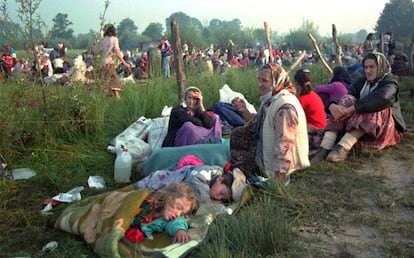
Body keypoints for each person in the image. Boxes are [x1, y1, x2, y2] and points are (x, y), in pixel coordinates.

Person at [311, 52, 406, 164]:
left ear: (380, 66)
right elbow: (347, 95)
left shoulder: (390, 82)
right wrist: (332, 105)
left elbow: (382, 98)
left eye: (372, 67)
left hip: (385, 129)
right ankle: (326, 146)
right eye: (366, 67)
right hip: (363, 127)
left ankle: (343, 147)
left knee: (373, 105)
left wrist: (353, 108)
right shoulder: (362, 81)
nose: (368, 70)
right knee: (347, 100)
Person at [230, 63, 310, 182]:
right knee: (237, 134)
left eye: (264, 81)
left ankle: (268, 171)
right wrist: (243, 110)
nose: (259, 84)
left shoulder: (285, 107)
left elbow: (284, 144)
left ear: (276, 82)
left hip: (286, 165)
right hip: (270, 151)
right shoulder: (271, 100)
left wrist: (279, 179)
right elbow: (256, 124)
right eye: (259, 80)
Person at [124, 183, 199, 244]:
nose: (178, 214)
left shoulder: (165, 220)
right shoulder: (148, 201)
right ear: (169, 196)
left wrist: (180, 231)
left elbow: (178, 222)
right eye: (179, 207)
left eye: (182, 213)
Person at [134, 163, 247, 204]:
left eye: (222, 199)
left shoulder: (212, 185)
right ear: (220, 179)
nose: (218, 197)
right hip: (156, 182)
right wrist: (207, 200)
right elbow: (194, 180)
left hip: (166, 195)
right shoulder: (210, 172)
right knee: (135, 195)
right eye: (222, 193)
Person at [293, 68, 327, 151]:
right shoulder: (313, 95)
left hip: (314, 131)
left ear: (297, 84)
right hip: (321, 127)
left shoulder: (302, 99)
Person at [100, 24, 131, 99]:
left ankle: (117, 97)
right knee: (113, 80)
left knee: (110, 79)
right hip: (109, 63)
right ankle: (115, 97)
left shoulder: (103, 40)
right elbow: (117, 52)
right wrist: (124, 63)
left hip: (102, 62)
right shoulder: (114, 39)